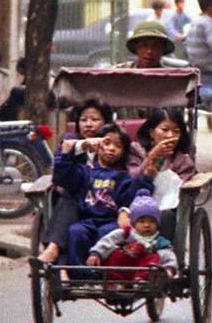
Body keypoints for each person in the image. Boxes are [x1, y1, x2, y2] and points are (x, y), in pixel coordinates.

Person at [38, 123, 154, 266]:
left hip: (109, 221)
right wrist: (69, 154)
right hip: (85, 219)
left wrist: (146, 178)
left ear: (123, 152)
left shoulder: (123, 177)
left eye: (118, 146)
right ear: (97, 145)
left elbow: (130, 197)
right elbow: (62, 177)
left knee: (109, 234)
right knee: (76, 231)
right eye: (107, 143)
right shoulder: (85, 171)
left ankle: (102, 277)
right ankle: (79, 275)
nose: (111, 148)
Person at [128, 108, 196, 240]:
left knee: (166, 217)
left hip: (166, 209)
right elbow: (132, 177)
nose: (170, 136)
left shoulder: (183, 161)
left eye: (176, 131)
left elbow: (180, 190)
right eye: (165, 130)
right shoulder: (135, 151)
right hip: (134, 202)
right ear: (152, 132)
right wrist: (153, 156)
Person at [86, 190, 177, 282]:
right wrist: (96, 254)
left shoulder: (159, 241)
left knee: (154, 257)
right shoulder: (126, 234)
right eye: (142, 221)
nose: (147, 225)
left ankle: (141, 281)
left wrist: (169, 269)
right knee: (115, 253)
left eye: (152, 221)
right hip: (122, 268)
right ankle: (114, 282)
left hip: (142, 272)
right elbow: (107, 241)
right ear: (134, 223)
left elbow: (168, 256)